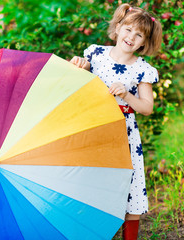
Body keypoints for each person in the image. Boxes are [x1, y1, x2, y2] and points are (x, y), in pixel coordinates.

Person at [70, 3, 162, 240]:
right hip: (95, 128)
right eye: (128, 29)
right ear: (118, 27)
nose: (131, 37)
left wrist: (127, 95)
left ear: (144, 42)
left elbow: (147, 107)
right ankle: (94, 232)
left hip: (124, 134)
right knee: (93, 182)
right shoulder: (96, 54)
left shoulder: (142, 69)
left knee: (130, 186)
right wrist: (78, 66)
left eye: (139, 35)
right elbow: (80, 81)